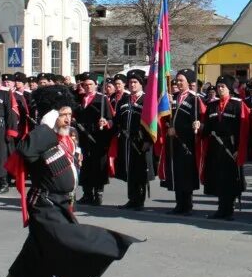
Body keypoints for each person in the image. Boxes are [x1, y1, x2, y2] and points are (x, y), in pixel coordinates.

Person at [0, 85, 138, 277]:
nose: (68, 118)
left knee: (34, 254)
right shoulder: (41, 137)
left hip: (62, 205)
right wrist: (46, 125)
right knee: (73, 254)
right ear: (50, 116)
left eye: (69, 114)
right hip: (44, 207)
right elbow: (25, 151)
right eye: (62, 114)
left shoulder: (65, 136)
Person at [201, 74, 250, 220]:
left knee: (230, 179)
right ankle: (221, 208)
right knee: (218, 178)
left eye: (223, 87)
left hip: (231, 147)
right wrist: (200, 127)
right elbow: (207, 129)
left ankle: (229, 209)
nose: (220, 89)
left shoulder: (238, 104)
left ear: (229, 89)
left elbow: (244, 129)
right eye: (218, 87)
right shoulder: (211, 105)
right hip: (216, 147)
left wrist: (239, 150)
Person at [160, 69, 204, 215]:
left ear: (189, 82)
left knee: (186, 174)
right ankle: (179, 203)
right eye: (177, 80)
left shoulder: (195, 99)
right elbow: (166, 118)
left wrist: (184, 130)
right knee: (176, 172)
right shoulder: (173, 98)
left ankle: (187, 204)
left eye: (181, 80)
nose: (178, 83)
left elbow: (200, 121)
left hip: (187, 143)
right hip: (173, 142)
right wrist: (168, 126)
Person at [109, 69, 155, 211]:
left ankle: (139, 199)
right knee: (128, 169)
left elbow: (152, 123)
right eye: (130, 82)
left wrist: (148, 140)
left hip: (140, 141)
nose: (132, 85)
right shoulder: (124, 100)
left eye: (135, 82)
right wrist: (109, 123)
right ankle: (132, 198)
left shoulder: (147, 100)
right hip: (126, 141)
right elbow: (116, 120)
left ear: (141, 84)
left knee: (140, 170)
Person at [74, 73, 113, 207]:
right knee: (85, 165)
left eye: (91, 84)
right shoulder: (80, 99)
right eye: (86, 84)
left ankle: (98, 193)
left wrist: (106, 122)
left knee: (98, 166)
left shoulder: (102, 99)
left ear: (96, 85)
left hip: (97, 137)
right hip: (83, 137)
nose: (88, 87)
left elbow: (111, 119)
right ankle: (87, 193)